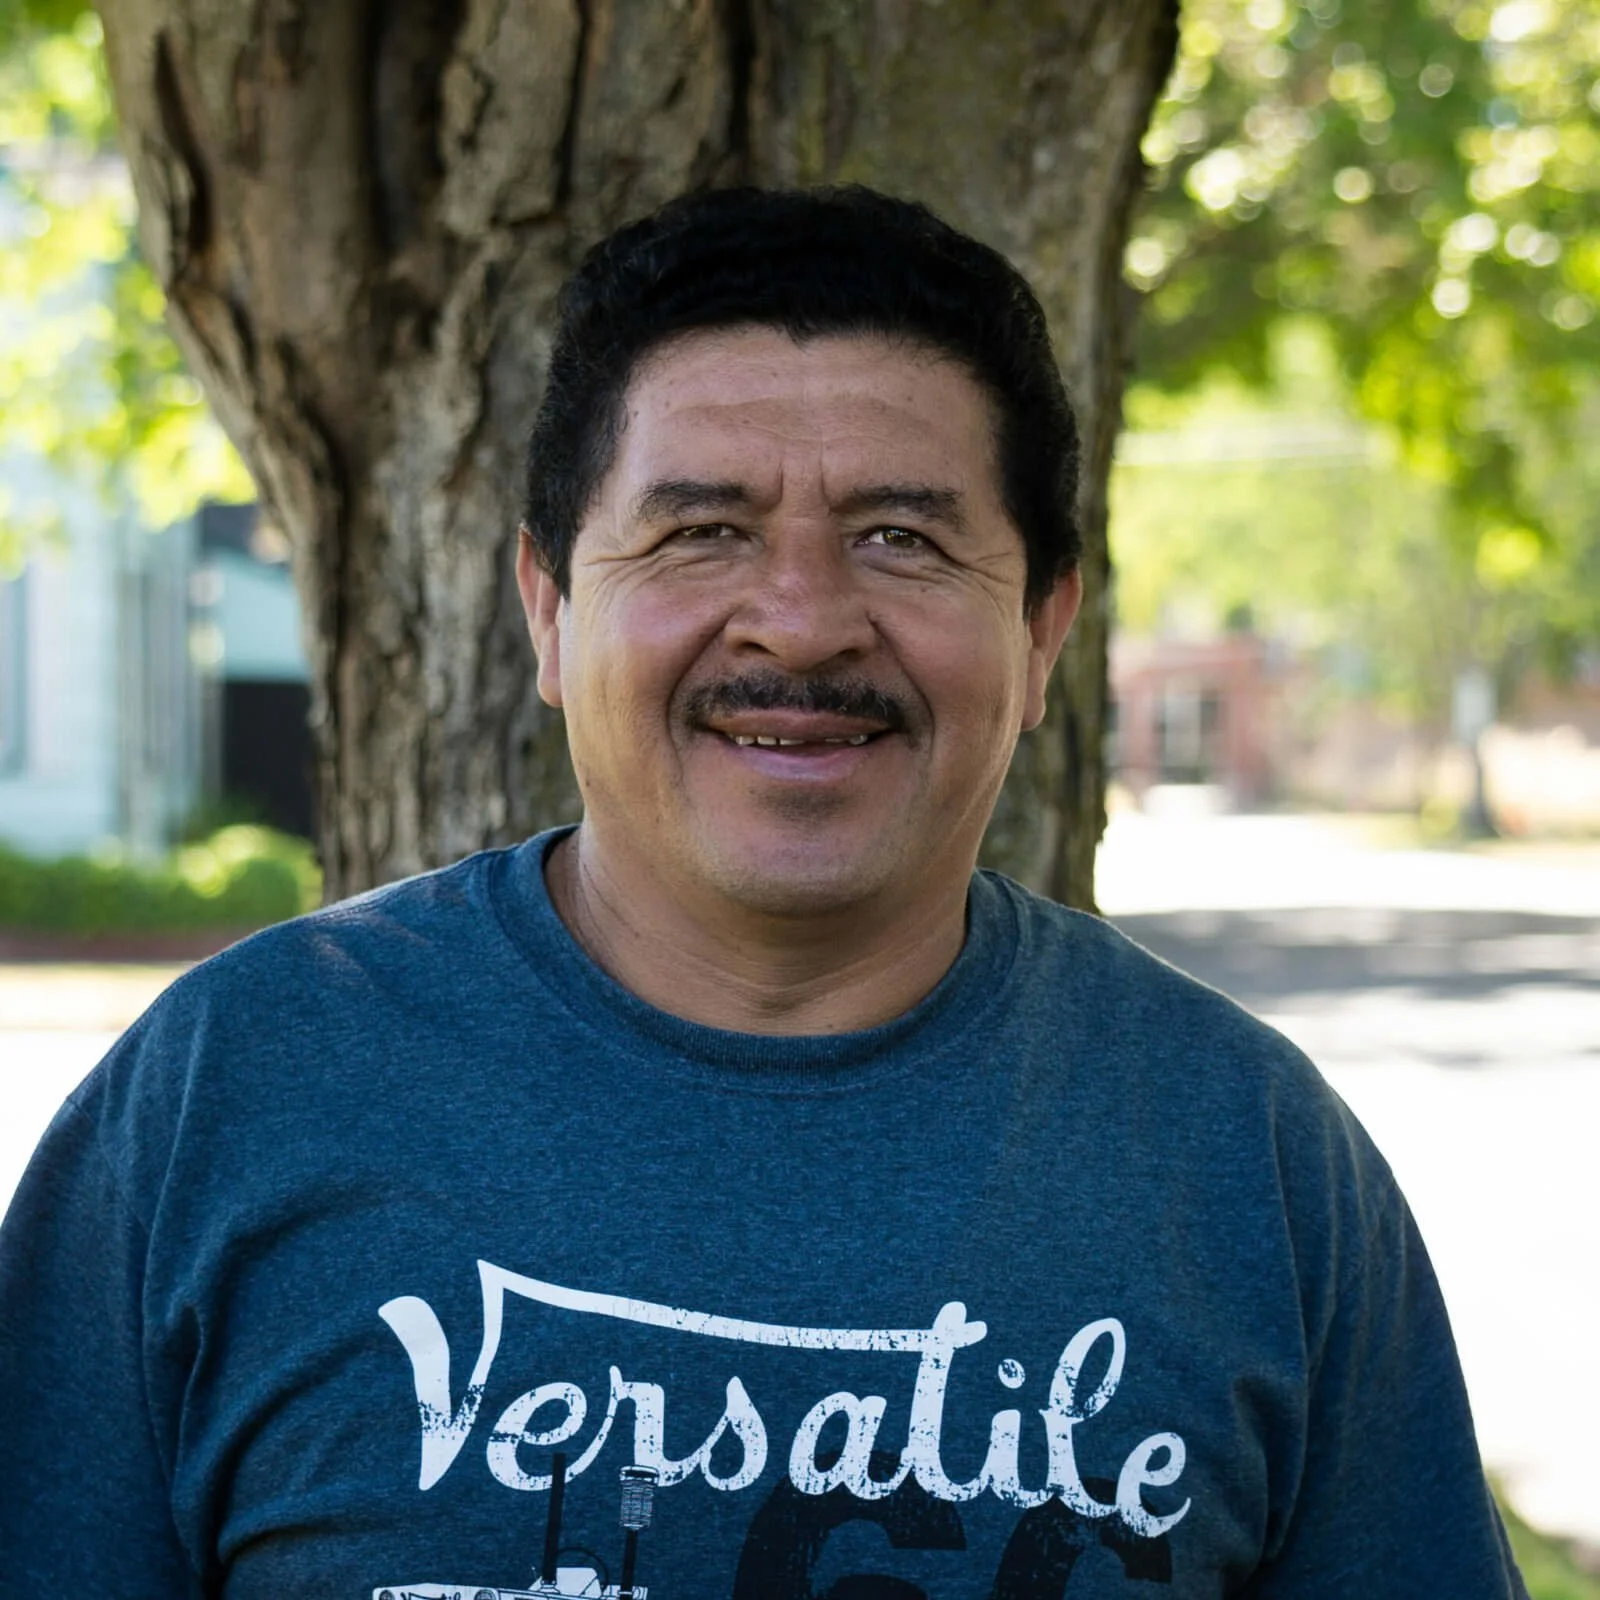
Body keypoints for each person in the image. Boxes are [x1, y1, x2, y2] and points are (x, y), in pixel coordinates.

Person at [0, 187, 1525, 1599]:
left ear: (1044, 632)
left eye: (901, 539)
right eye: (702, 532)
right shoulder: (228, 1098)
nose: (799, 622)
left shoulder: (1249, 1158)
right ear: (549, 608)